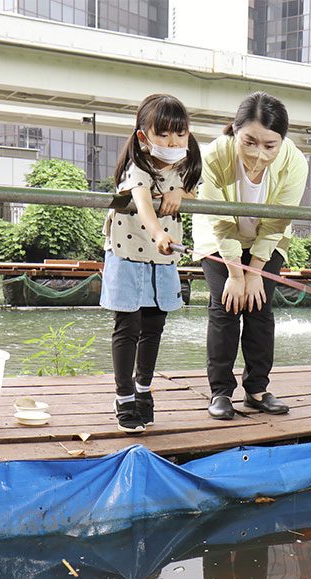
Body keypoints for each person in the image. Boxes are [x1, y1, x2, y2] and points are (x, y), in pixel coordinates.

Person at [192, 92, 308, 420]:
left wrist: (255, 270)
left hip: (266, 238)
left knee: (259, 306)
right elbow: (219, 218)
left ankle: (257, 389)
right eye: (250, 142)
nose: (259, 154)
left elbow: (277, 220)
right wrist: (235, 272)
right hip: (218, 237)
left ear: (282, 141)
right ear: (235, 130)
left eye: (270, 145)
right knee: (226, 306)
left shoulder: (295, 162)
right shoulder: (215, 155)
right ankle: (221, 392)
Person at [101, 94, 201, 433]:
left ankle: (144, 391)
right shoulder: (137, 167)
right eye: (163, 134)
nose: (173, 141)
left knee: (154, 327)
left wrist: (182, 194)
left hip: (162, 257)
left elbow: (198, 193)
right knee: (127, 328)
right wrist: (158, 232)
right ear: (144, 137)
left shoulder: (184, 167)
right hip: (128, 252)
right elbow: (142, 203)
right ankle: (124, 397)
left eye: (180, 133)